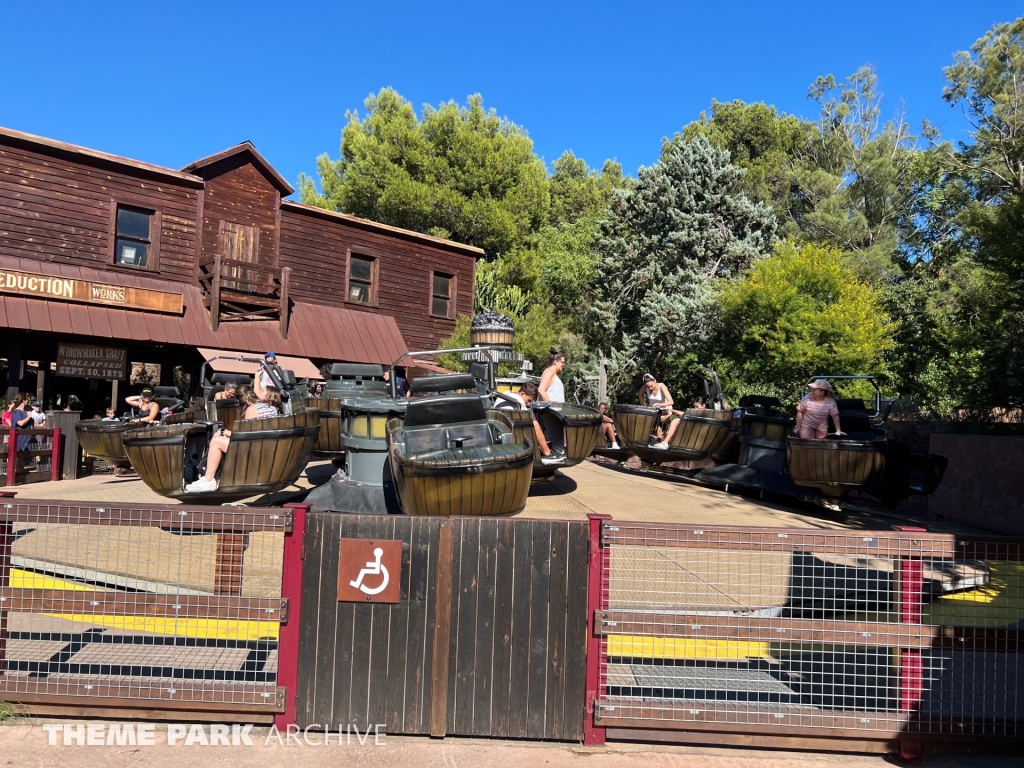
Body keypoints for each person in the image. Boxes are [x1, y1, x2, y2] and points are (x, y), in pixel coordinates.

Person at [185, 386, 281, 493]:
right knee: (219, 437)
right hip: (263, 448)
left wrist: (225, 432)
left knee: (217, 441)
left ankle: (208, 480)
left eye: (262, 391)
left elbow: (245, 436)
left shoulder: (253, 409)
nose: (258, 391)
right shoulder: (272, 409)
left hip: (253, 451)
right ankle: (208, 477)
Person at [639, 374, 680, 449]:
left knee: (654, 420)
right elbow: (640, 395)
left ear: (654, 380)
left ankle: (660, 440)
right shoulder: (646, 386)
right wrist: (643, 405)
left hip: (666, 410)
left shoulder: (662, 386)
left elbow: (671, 401)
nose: (650, 388)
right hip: (655, 411)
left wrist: (661, 404)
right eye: (648, 387)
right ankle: (658, 440)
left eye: (651, 386)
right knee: (648, 418)